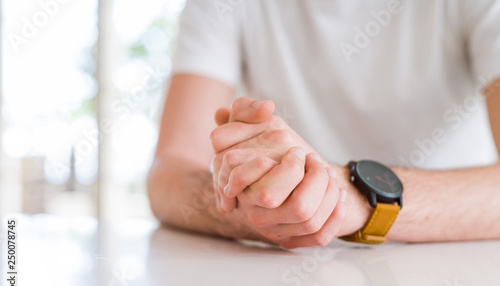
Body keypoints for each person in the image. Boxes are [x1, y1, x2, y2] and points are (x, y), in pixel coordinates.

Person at [148, 0, 500, 249]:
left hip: (452, 274)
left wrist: (346, 199)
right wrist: (249, 205)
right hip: (290, 280)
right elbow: (169, 173)